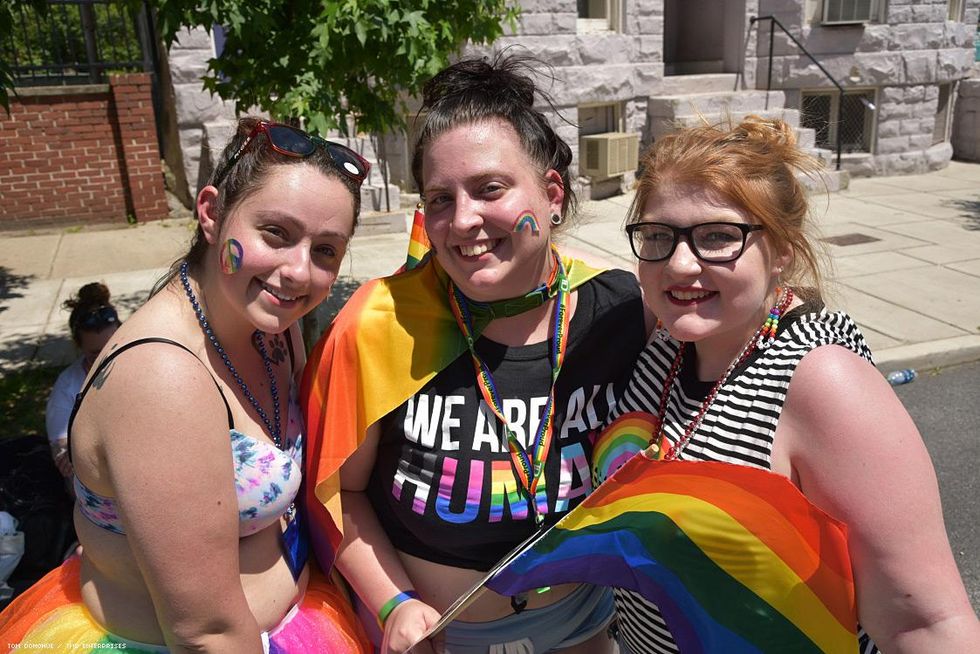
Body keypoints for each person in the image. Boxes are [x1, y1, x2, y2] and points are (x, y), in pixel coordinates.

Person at [302, 54, 649, 654]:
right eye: (439, 199)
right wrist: (395, 605)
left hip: (586, 624)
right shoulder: (377, 326)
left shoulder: (622, 311)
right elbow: (340, 495)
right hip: (438, 636)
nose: (463, 220)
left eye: (489, 188)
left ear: (552, 193)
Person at [0, 117, 373, 652]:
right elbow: (203, 631)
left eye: (325, 250)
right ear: (211, 213)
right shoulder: (162, 377)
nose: (297, 271)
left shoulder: (271, 329)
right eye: (276, 233)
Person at [609, 116, 980, 653]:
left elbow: (924, 623)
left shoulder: (821, 381)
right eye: (658, 236)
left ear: (781, 250)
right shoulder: (668, 342)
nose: (680, 264)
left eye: (717, 236)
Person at [46, 282, 121, 479]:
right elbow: (61, 447)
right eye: (95, 353)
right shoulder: (68, 385)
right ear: (79, 346)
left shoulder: (146, 369)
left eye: (113, 347)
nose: (106, 358)